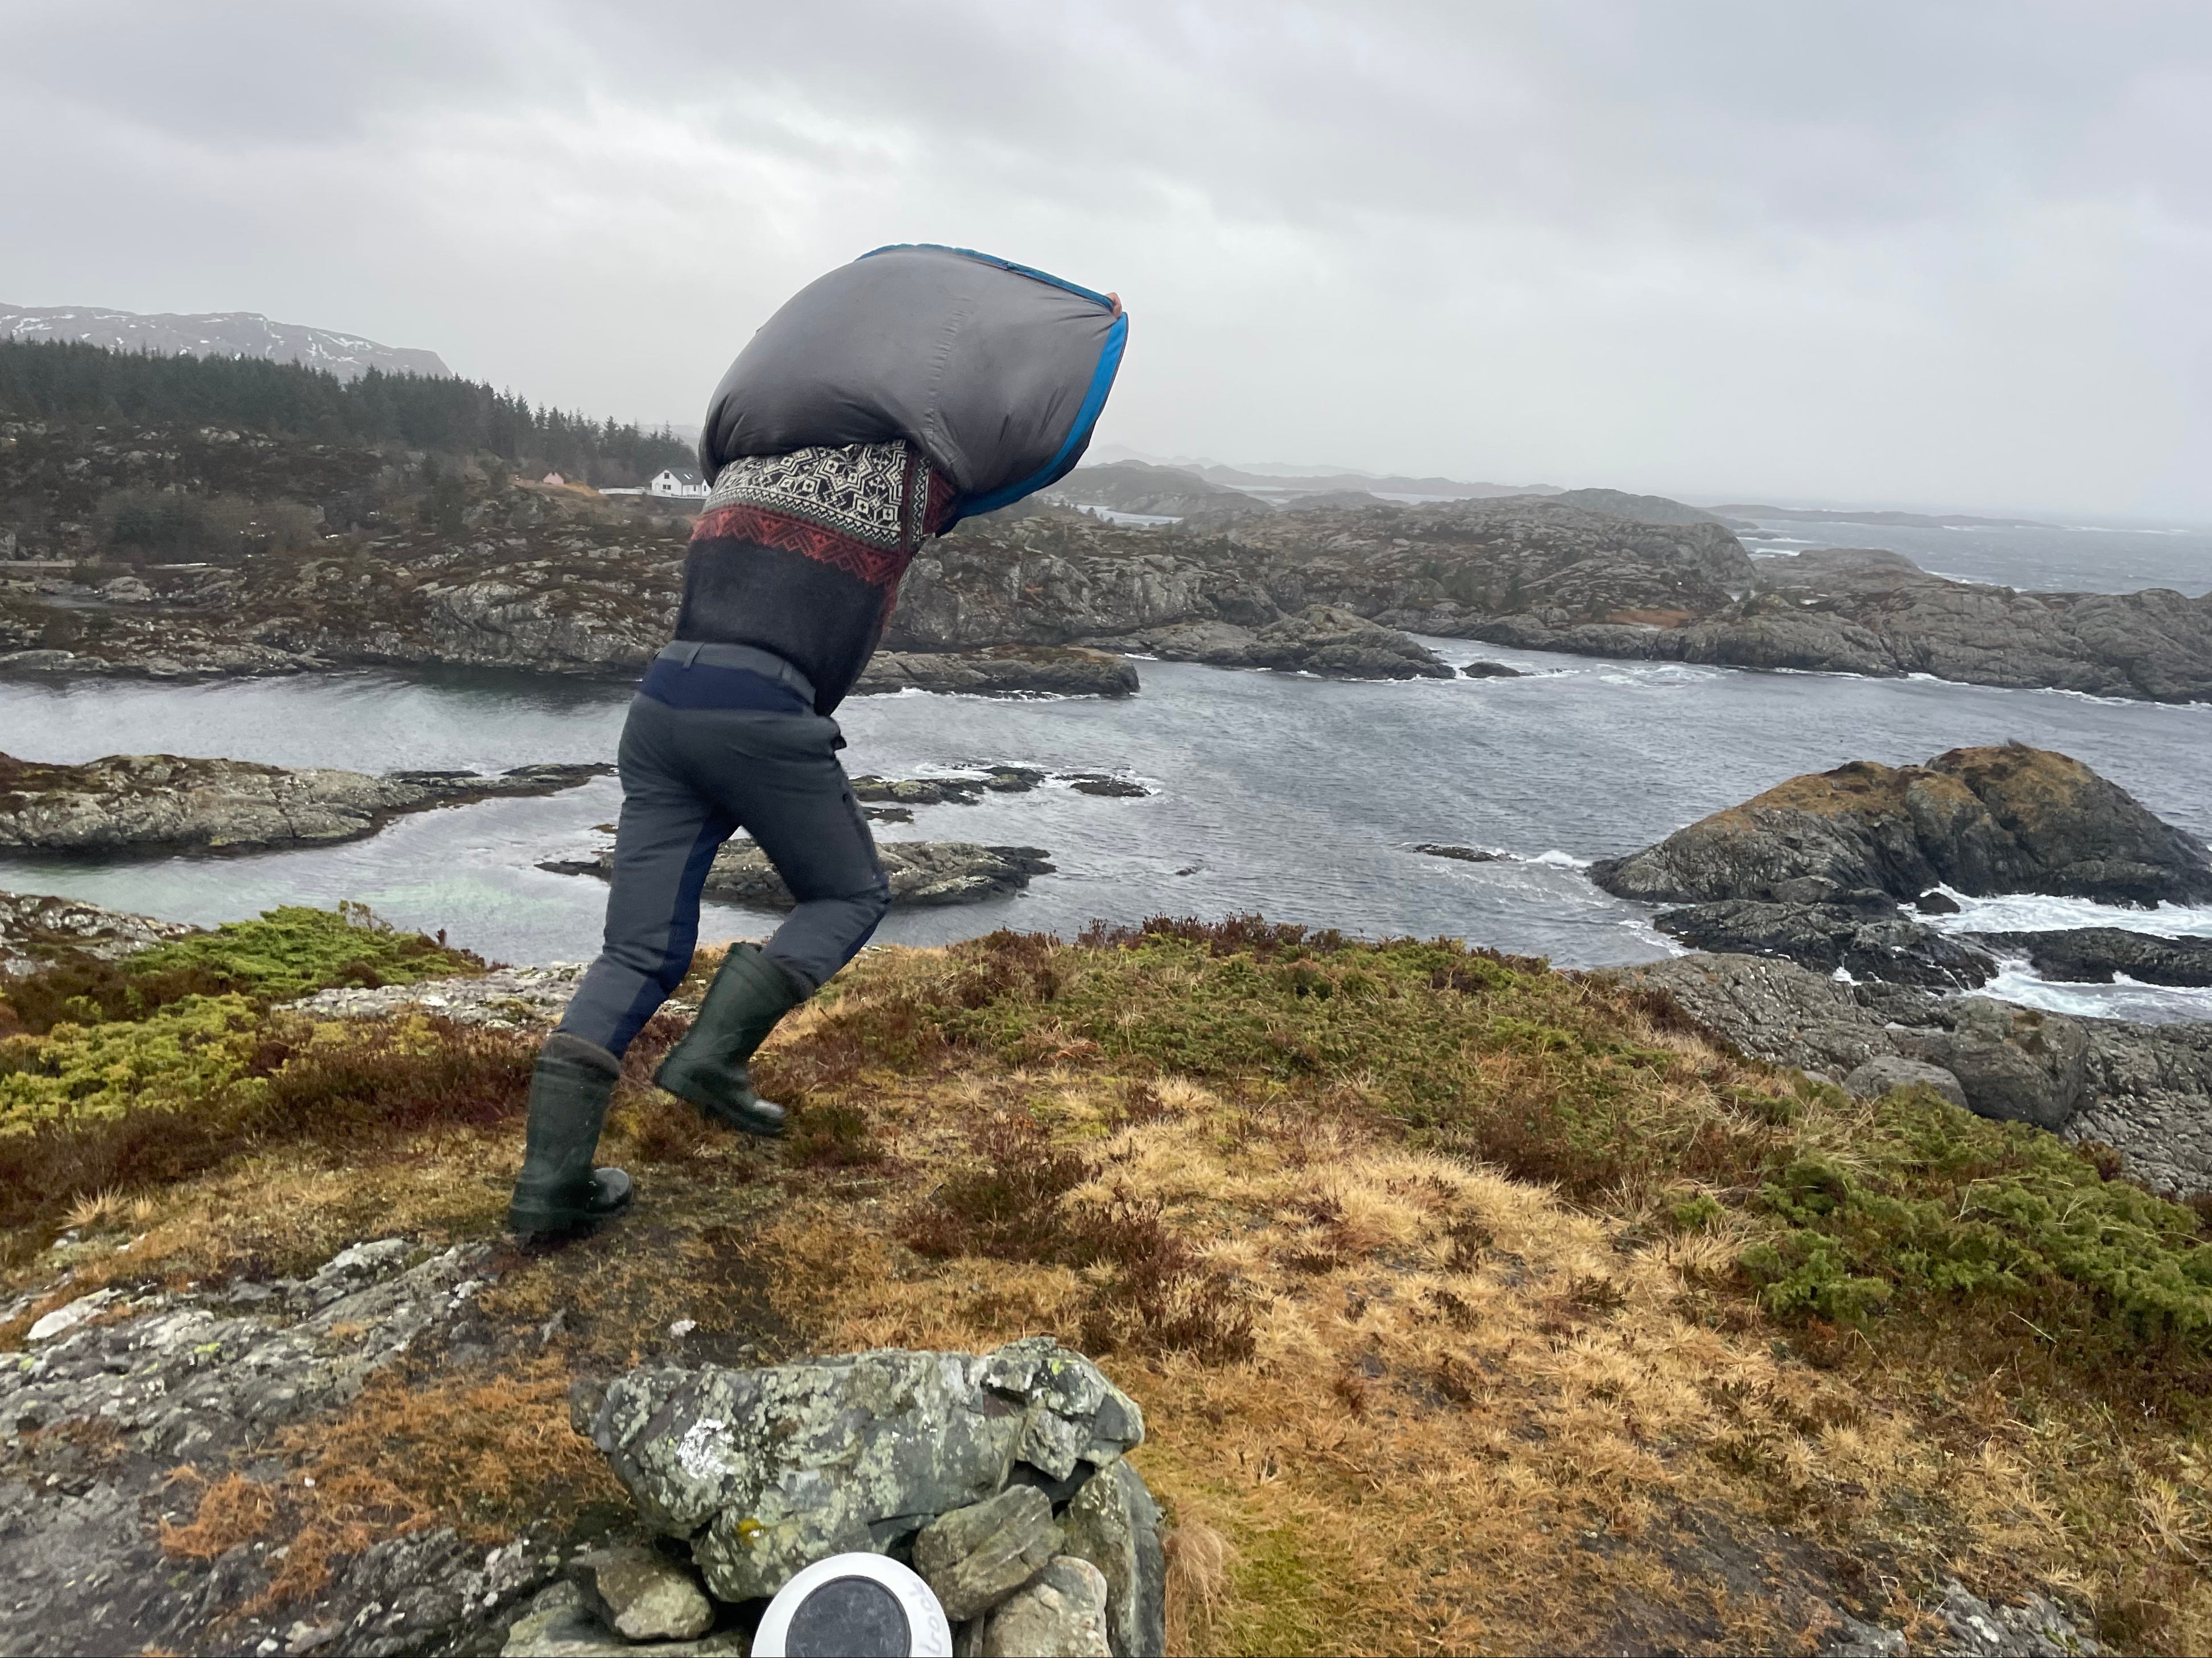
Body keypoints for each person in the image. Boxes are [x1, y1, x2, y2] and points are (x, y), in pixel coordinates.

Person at [508, 246, 1127, 1236]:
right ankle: (712, 1058)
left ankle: (547, 1191)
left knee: (636, 950)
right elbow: (1017, 457)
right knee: (850, 892)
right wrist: (1092, 335)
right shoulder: (898, 480)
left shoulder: (737, 475)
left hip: (661, 710)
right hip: (760, 718)